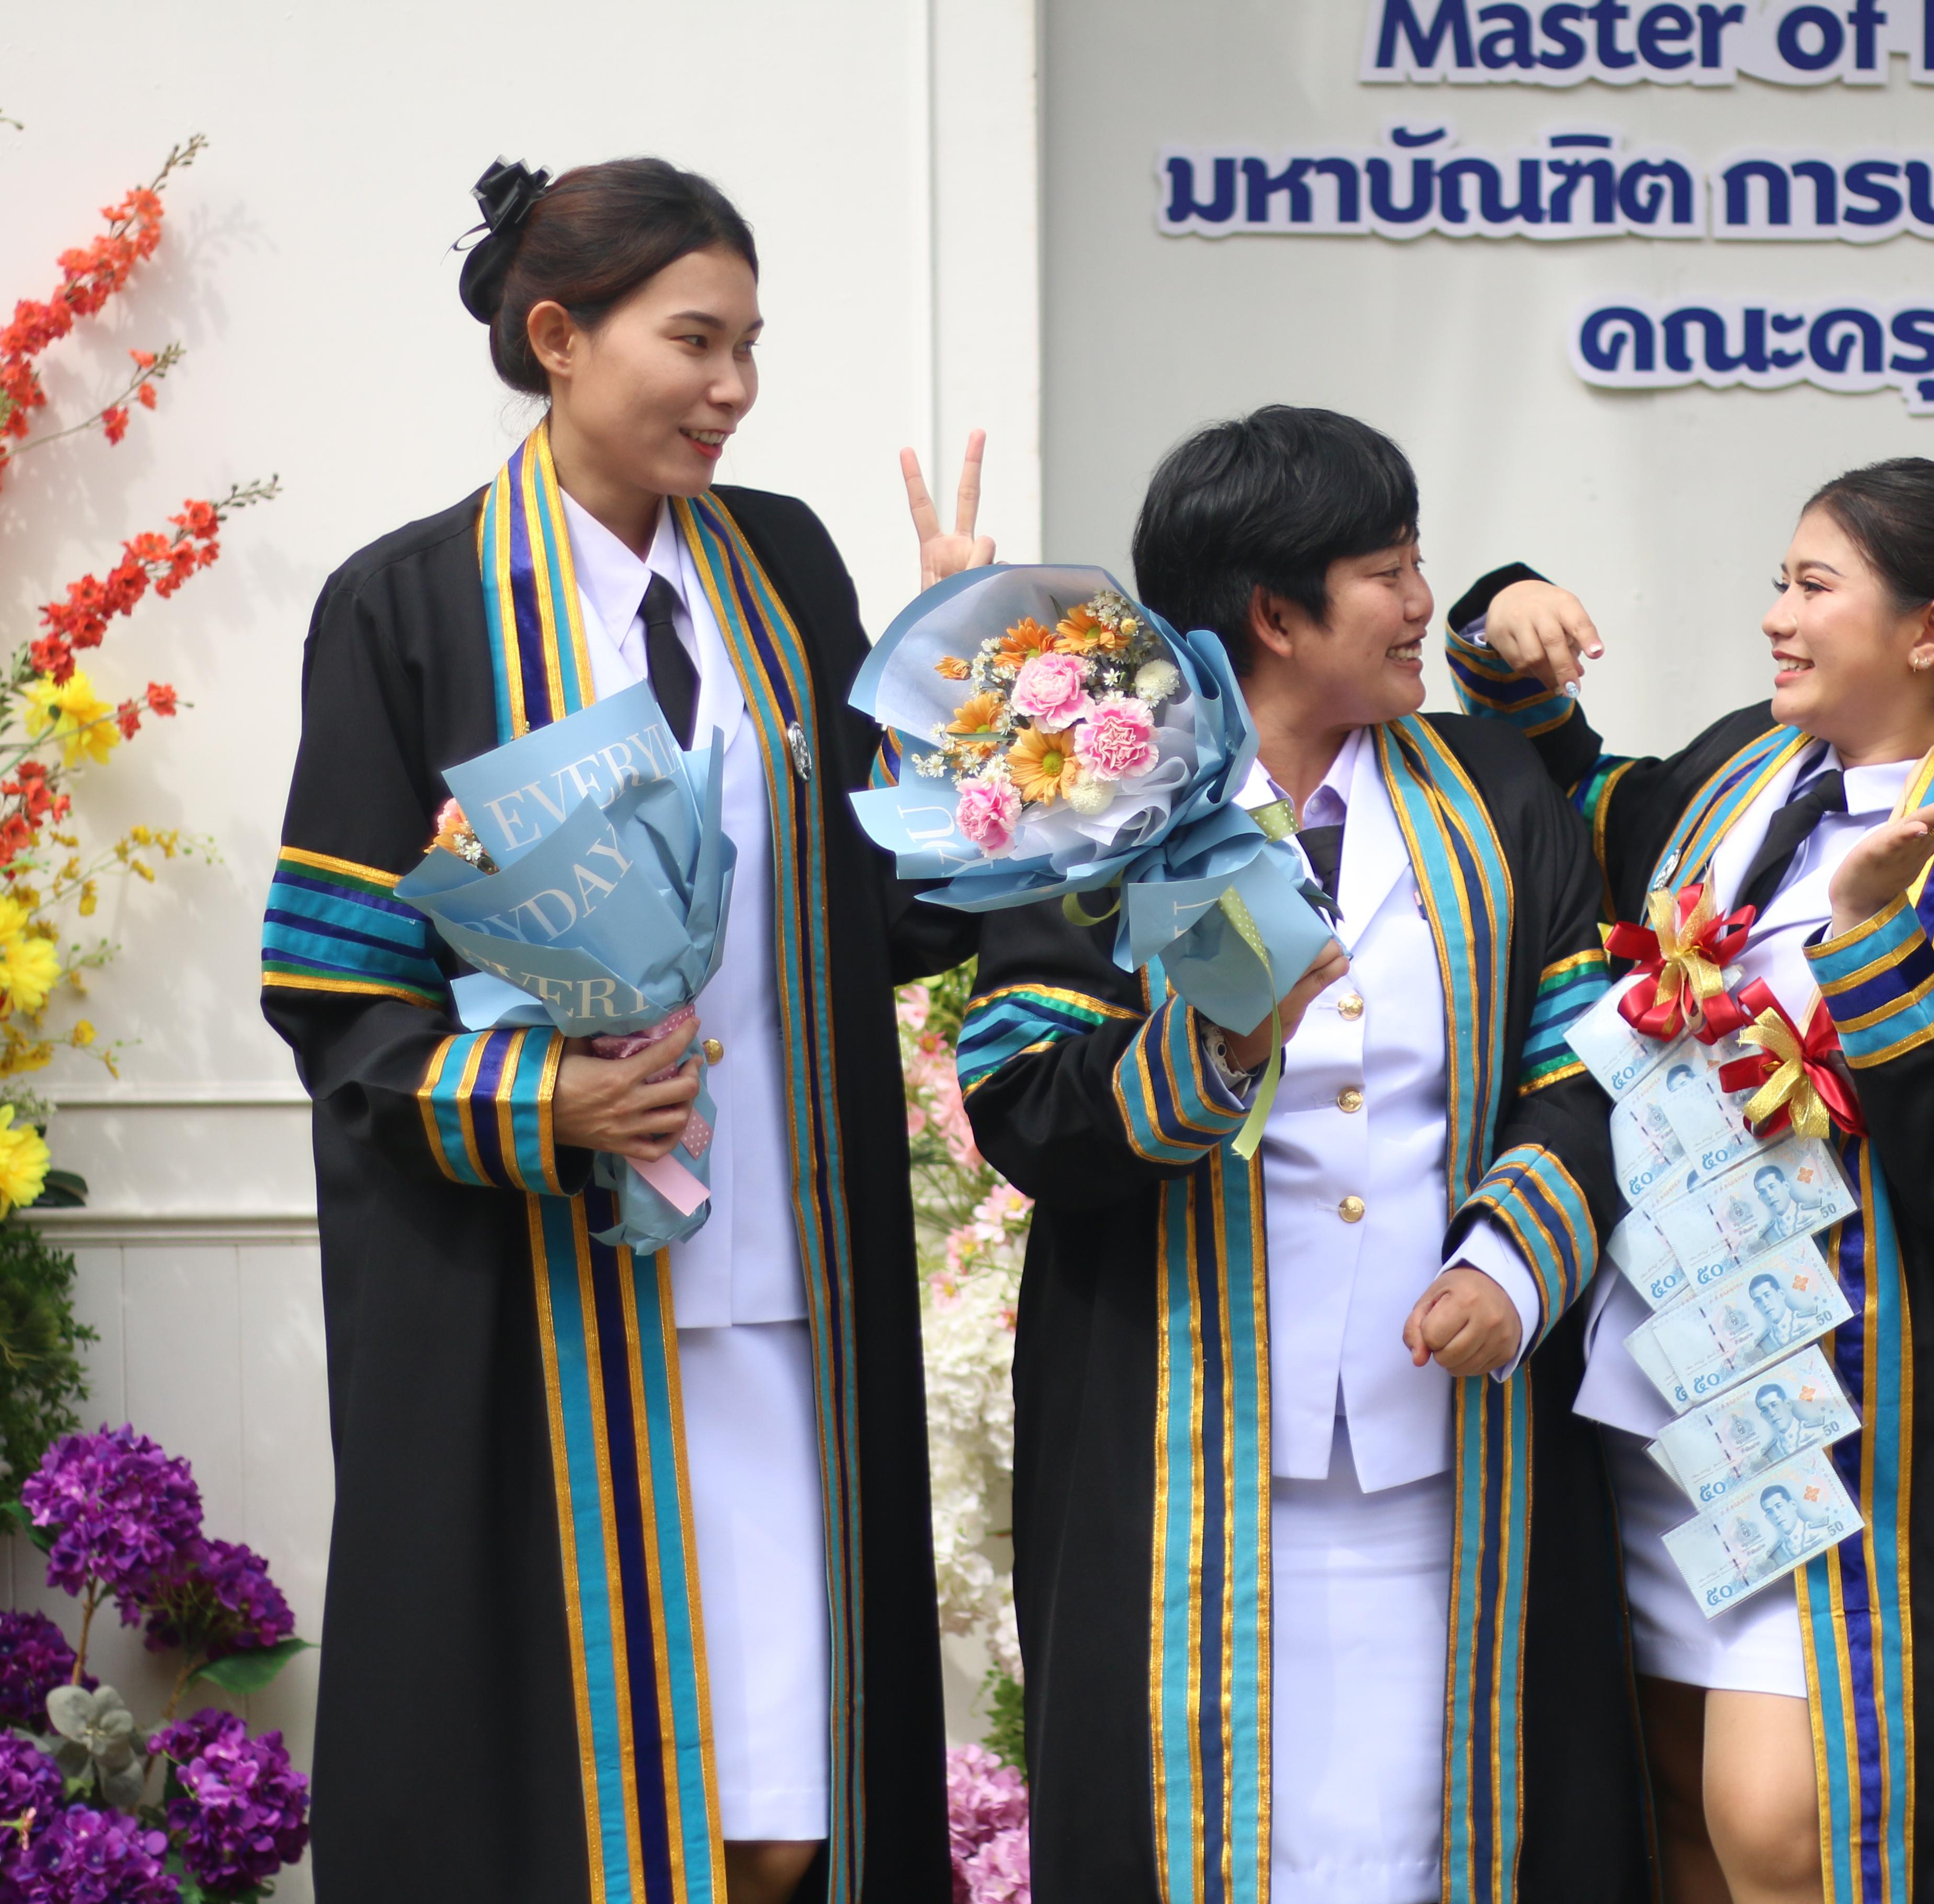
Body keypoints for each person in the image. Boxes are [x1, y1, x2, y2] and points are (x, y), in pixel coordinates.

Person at [259, 158, 996, 1904]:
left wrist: (969, 689)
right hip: (538, 1310)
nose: (733, 389)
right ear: (557, 337)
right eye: (695, 342)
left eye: (752, 347)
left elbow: (878, 907)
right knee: (561, 1807)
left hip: (780, 1294)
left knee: (783, 1816)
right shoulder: (410, 606)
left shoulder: (789, 569)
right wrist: (545, 1102)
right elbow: (335, 978)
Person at [958, 407, 1648, 1903]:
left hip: (1453, 1450)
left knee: (1443, 1833)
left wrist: (1513, 1259)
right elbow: (1023, 1101)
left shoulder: (1492, 792)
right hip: (1183, 1450)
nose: (1422, 604)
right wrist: (1219, 1047)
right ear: (1274, 615)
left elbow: (1584, 1063)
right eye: (1389, 572)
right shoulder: (1099, 803)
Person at [1449, 458, 1934, 1904]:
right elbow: (1577, 803)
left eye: (1812, 587)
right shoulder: (1734, 769)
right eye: (1783, 581)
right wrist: (1501, 630)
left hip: (1826, 1418)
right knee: (1669, 1818)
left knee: (1788, 1834)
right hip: (1640, 1377)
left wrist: (1873, 942)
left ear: (1929, 632)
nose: (1775, 616)